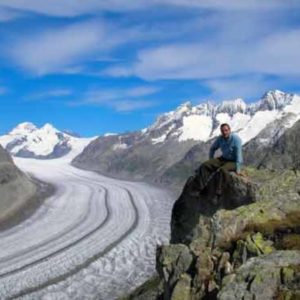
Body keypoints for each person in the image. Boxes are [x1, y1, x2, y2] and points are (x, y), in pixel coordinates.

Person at [193, 123, 243, 199]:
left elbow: (239, 155)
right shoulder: (220, 139)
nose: (224, 132)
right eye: (222, 131)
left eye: (226, 130)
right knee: (205, 165)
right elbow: (212, 148)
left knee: (223, 170)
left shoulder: (236, 139)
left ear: (230, 130)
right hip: (223, 158)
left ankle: (218, 193)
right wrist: (211, 160)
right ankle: (200, 188)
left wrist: (238, 169)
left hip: (234, 161)